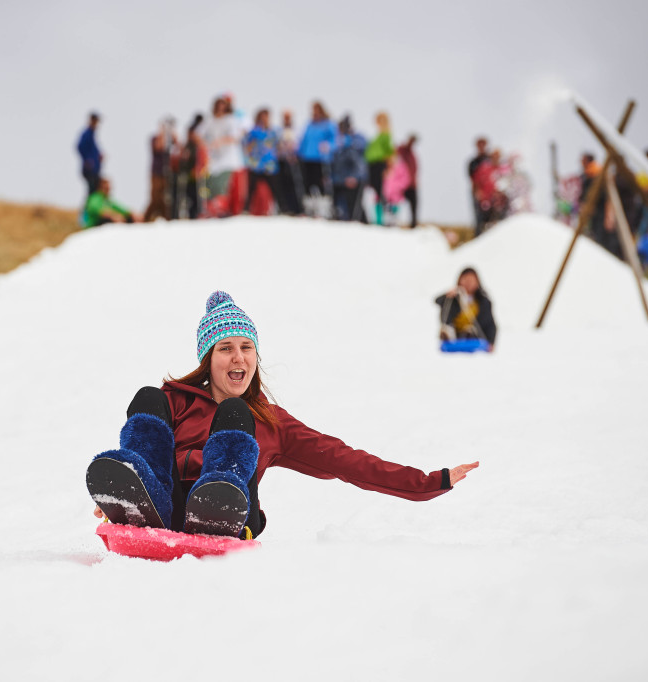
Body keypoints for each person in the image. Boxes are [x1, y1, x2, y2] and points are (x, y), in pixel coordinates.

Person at [88, 291, 479, 538]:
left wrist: (430, 482)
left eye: (246, 347)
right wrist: (126, 490)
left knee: (236, 414)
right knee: (147, 396)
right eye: (225, 348)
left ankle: (216, 503)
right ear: (208, 360)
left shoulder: (271, 422)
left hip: (231, 511)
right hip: (168, 504)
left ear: (256, 356)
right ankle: (147, 501)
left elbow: (345, 460)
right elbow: (147, 445)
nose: (238, 357)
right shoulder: (176, 402)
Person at [202, 96, 247, 218]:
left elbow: (236, 137)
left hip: (229, 160)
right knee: (213, 185)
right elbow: (199, 135)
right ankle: (214, 208)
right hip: (214, 160)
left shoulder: (231, 120)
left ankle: (224, 208)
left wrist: (220, 141)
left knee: (225, 185)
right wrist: (206, 146)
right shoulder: (210, 121)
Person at [435, 267, 497, 350]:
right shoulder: (453, 298)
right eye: (465, 279)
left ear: (477, 282)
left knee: (470, 330)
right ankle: (448, 334)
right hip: (455, 333)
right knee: (449, 327)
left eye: (471, 280)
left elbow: (490, 324)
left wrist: (490, 342)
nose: (468, 283)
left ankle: (468, 335)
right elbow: (437, 301)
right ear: (459, 281)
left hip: (475, 335)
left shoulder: (483, 301)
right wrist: (447, 295)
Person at [298, 101, 338, 217]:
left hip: (321, 159)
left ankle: (323, 208)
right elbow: (303, 140)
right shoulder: (309, 125)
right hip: (307, 158)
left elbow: (335, 140)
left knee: (321, 184)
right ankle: (309, 208)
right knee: (308, 183)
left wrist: (328, 146)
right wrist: (298, 153)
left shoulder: (328, 124)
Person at [243, 108, 281, 216]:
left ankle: (278, 208)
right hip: (256, 164)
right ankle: (247, 208)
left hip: (270, 164)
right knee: (252, 187)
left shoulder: (272, 131)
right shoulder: (254, 131)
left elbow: (277, 145)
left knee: (274, 187)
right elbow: (247, 145)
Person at [331, 115, 368, 223]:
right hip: (340, 180)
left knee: (355, 209)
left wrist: (354, 177)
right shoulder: (339, 143)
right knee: (341, 208)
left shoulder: (356, 141)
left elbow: (358, 162)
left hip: (353, 180)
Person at [174, 114, 208, 220]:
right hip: (187, 176)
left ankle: (197, 215)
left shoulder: (199, 146)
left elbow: (204, 160)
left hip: (197, 177)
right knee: (187, 198)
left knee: (197, 199)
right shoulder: (188, 146)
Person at [144, 117, 177, 222]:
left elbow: (178, 144)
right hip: (156, 172)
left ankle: (166, 218)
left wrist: (171, 131)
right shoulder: (154, 138)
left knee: (165, 198)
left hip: (166, 173)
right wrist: (162, 132)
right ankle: (146, 218)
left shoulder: (169, 139)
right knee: (155, 197)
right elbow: (159, 146)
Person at [365, 112, 395, 226]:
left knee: (379, 190)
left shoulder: (386, 135)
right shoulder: (377, 135)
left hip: (379, 164)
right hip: (371, 164)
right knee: (374, 189)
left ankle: (387, 214)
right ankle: (377, 216)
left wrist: (388, 167)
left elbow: (389, 151)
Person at [275, 110, 304, 216]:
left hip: (293, 161)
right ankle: (285, 207)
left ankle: (297, 208)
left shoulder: (297, 130)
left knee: (295, 185)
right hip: (282, 161)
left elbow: (300, 144)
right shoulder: (279, 130)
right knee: (283, 184)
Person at [76, 111, 103, 198]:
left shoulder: (92, 134)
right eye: (95, 121)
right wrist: (87, 160)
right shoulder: (87, 133)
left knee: (95, 190)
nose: (96, 124)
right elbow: (80, 146)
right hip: (90, 170)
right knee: (92, 191)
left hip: (95, 169)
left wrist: (99, 155)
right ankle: (87, 211)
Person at [468, 137, 491, 235]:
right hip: (477, 194)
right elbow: (472, 179)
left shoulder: (490, 160)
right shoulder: (473, 162)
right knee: (478, 220)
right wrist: (477, 192)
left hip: (490, 195)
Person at [397, 134, 419, 228]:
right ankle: (394, 222)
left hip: (412, 185)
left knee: (414, 205)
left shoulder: (412, 155)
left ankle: (413, 225)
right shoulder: (402, 151)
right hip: (401, 185)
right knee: (396, 204)